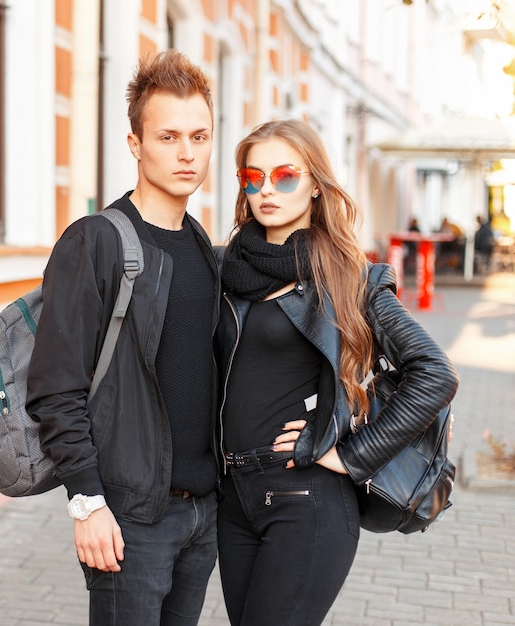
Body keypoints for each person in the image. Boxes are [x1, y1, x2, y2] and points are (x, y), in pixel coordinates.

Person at [215, 119, 459, 626]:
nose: (266, 190)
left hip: (306, 503)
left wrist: (350, 456)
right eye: (251, 177)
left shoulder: (350, 279)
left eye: (284, 176)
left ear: (315, 186)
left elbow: (435, 373)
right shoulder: (226, 269)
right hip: (234, 498)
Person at [26, 50, 220, 625]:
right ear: (135, 144)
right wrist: (86, 503)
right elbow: (54, 385)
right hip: (130, 518)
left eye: (199, 135)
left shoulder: (202, 246)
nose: (187, 152)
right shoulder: (96, 241)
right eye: (168, 136)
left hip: (201, 516)